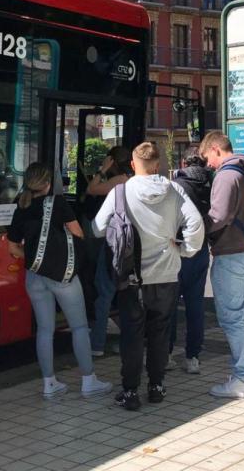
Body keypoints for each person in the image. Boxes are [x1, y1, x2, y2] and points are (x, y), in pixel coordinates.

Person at [92, 142, 204, 410]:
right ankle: (156, 386)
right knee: (160, 332)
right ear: (157, 165)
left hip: (131, 277)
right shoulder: (174, 190)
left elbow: (97, 228)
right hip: (166, 274)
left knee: (132, 334)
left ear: (133, 165)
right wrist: (185, 249)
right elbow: (196, 223)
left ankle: (130, 391)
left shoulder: (120, 192)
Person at [7, 162, 113, 399]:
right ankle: (88, 381)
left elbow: (13, 248)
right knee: (79, 327)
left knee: (45, 330)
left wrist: (35, 256)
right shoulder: (58, 203)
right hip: (61, 275)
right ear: (47, 184)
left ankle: (49, 384)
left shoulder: (21, 206)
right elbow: (78, 234)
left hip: (34, 276)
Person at [198, 131, 244, 398]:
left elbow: (219, 215)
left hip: (231, 253)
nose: (208, 165)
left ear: (216, 149)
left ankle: (243, 378)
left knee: (232, 317)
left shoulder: (227, 175)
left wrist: (198, 230)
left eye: (208, 158)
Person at [84, 145, 133, 356]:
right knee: (126, 293)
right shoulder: (132, 180)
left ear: (112, 160)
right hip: (131, 245)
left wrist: (102, 170)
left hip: (113, 243)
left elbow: (91, 189)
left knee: (104, 291)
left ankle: (96, 344)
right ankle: (128, 339)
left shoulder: (118, 181)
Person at [168, 147, 212, 374]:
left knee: (170, 303)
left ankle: (166, 353)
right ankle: (193, 356)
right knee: (195, 304)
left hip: (177, 248)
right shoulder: (210, 184)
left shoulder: (177, 186)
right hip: (201, 248)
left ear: (183, 163)